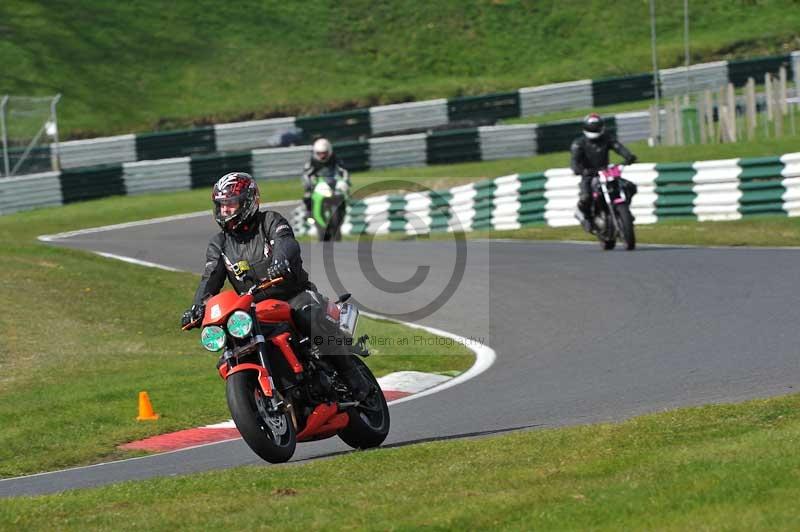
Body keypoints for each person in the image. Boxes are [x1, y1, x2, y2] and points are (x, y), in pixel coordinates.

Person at [180, 171, 369, 400]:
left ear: (248, 201)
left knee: (307, 315)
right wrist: (198, 306)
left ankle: (352, 377)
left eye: (231, 203)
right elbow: (210, 277)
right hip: (254, 309)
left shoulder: (270, 221)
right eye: (221, 205)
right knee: (233, 346)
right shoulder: (219, 244)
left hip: (293, 294)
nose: (225, 210)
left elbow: (286, 242)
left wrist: (281, 261)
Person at [570, 113, 637, 232]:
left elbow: (618, 147)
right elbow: (574, 161)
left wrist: (628, 157)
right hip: (589, 175)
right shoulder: (579, 143)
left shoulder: (607, 138)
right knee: (586, 197)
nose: (594, 130)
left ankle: (625, 211)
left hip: (606, 172)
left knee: (630, 187)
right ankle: (587, 218)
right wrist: (579, 170)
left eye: (596, 127)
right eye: (592, 128)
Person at [301, 138, 350, 216]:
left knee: (343, 189)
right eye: (319, 153)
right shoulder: (311, 162)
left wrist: (345, 181)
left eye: (324, 153)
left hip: (333, 181)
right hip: (318, 183)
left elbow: (344, 171)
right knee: (307, 195)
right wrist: (309, 184)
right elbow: (306, 175)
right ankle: (309, 211)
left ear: (329, 151)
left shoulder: (335, 160)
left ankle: (346, 208)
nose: (322, 156)